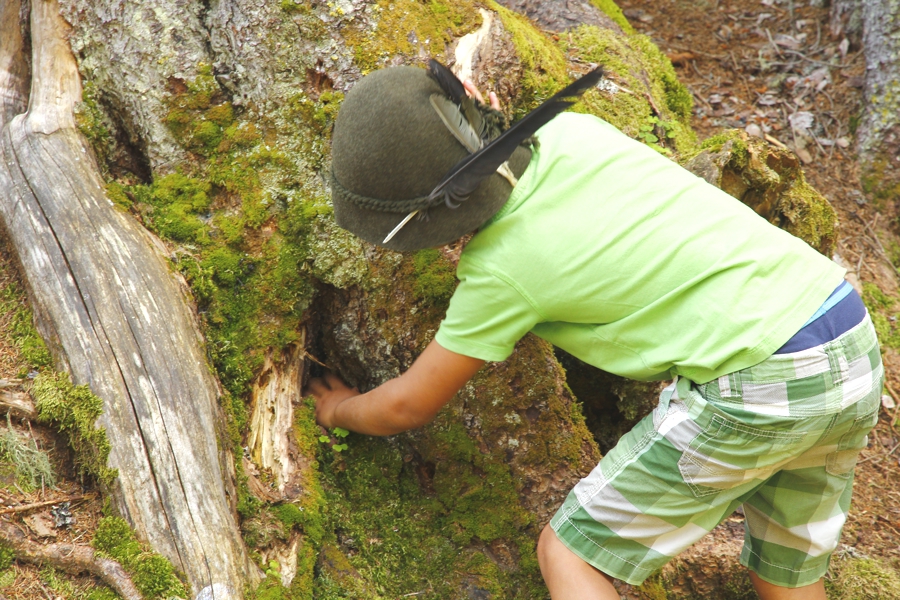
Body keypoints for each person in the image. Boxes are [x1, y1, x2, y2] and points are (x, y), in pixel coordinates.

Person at [306, 63, 883, 600]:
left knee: (571, 554)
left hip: (760, 381)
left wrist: (337, 410)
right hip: (846, 334)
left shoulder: (502, 272)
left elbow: (407, 405)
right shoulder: (574, 134)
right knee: (786, 561)